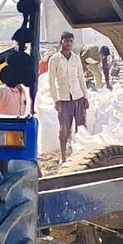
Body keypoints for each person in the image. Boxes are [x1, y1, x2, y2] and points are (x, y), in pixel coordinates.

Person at [48, 31, 89, 162]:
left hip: (78, 96)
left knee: (81, 128)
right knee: (64, 130)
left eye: (71, 41)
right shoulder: (54, 60)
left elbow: (81, 78)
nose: (69, 44)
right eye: (66, 41)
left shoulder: (76, 58)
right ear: (61, 42)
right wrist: (56, 100)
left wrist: (86, 97)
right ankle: (63, 156)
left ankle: (81, 156)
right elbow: (51, 81)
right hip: (64, 99)